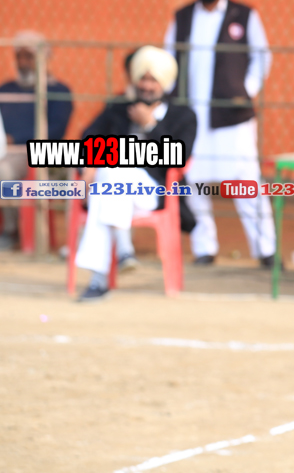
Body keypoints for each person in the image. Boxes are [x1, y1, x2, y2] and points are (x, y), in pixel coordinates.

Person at [164, 0, 275, 267]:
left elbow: (262, 58)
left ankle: (265, 249)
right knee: (193, 179)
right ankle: (204, 248)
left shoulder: (244, 15)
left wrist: (246, 91)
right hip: (192, 116)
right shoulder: (182, 17)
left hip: (232, 116)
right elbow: (168, 59)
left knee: (245, 179)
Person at [73, 47, 197, 302]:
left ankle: (101, 276)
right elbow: (87, 138)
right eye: (143, 79)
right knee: (110, 175)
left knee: (112, 169)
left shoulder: (183, 115)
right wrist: (88, 168)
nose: (147, 86)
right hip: (114, 192)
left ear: (164, 83)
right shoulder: (119, 107)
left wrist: (150, 125)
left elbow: (180, 155)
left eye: (153, 80)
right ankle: (120, 255)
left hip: (152, 191)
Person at [0, 31, 74, 242]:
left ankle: (11, 232)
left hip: (39, 153)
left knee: (3, 171)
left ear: (44, 58)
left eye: (29, 57)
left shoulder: (59, 91)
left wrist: (15, 139)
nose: (23, 63)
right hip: (5, 150)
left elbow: (56, 130)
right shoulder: (6, 89)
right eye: (19, 57)